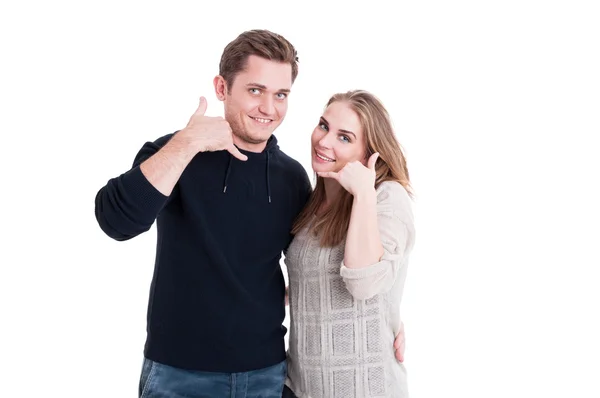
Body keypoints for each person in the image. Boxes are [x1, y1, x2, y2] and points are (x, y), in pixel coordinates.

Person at [95, 28, 405, 397]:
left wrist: (387, 317)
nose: (268, 108)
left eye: (281, 95)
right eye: (255, 91)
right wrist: (187, 144)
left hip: (268, 375)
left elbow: (309, 268)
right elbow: (117, 222)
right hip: (180, 373)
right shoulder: (174, 154)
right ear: (222, 88)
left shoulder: (291, 178)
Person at [283, 90, 415, 398]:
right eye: (323, 126)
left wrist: (364, 193)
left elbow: (365, 284)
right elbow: (310, 283)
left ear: (369, 153)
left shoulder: (386, 198)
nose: (324, 141)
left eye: (345, 138)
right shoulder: (312, 204)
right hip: (301, 387)